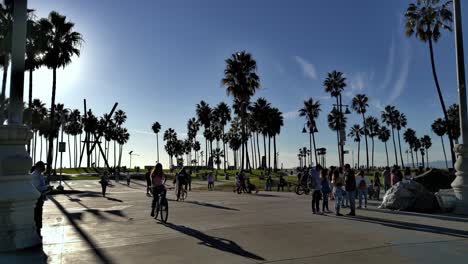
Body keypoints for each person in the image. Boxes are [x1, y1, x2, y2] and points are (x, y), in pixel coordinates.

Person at [31, 161, 50, 237]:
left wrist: (47, 188)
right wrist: (47, 187)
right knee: (37, 214)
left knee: (39, 214)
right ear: (39, 167)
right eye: (43, 166)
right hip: (37, 198)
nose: (44, 168)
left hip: (40, 197)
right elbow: (37, 188)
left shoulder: (39, 175)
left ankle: (38, 229)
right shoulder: (35, 175)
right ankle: (37, 231)